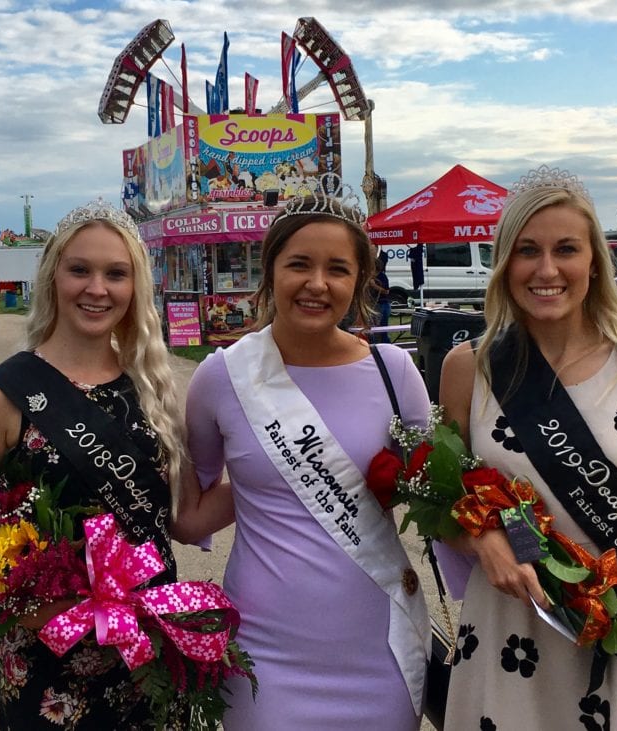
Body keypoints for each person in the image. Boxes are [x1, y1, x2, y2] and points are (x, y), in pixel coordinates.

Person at [439, 167, 617, 730]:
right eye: (526, 251)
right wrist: (480, 537)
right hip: (507, 634)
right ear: (504, 263)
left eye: (566, 249)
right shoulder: (469, 368)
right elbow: (440, 502)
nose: (546, 270)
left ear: (594, 260)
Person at [178, 193, 431, 730]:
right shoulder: (223, 377)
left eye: (337, 269)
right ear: (270, 271)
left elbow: (432, 498)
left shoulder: (396, 373)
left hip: (378, 649)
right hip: (265, 652)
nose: (317, 284)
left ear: (359, 280)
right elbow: (191, 514)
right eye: (299, 264)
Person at [0, 200, 188, 729]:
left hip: (145, 646)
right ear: (53, 275)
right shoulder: (1, 394)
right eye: (80, 269)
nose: (96, 288)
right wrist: (40, 609)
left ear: (136, 287)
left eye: (115, 274)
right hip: (49, 656)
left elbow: (175, 518)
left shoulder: (151, 388)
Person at [369, 249, 392, 343]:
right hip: (373, 305)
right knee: (373, 329)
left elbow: (386, 291)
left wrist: (375, 286)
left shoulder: (382, 277)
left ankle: (385, 344)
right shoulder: (370, 277)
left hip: (382, 304)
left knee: (382, 329)